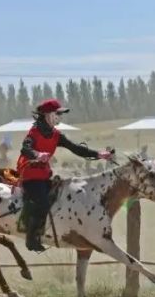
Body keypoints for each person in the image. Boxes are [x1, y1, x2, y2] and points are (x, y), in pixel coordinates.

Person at [18, 99, 112, 252]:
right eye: (58, 114)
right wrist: (37, 154)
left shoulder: (56, 135)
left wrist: (99, 154)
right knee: (42, 203)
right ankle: (31, 239)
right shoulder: (34, 132)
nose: (60, 117)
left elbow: (76, 149)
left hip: (43, 174)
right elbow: (25, 148)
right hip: (29, 173)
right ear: (47, 115)